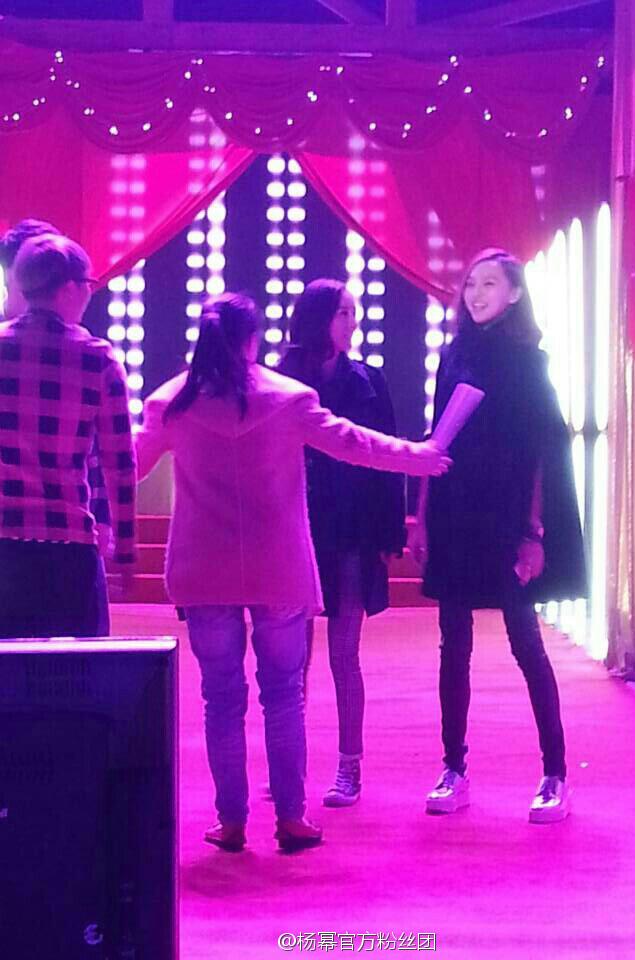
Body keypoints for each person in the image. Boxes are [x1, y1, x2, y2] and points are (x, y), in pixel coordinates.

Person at [135, 293, 449, 853]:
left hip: (203, 570)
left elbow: (127, 463)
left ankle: (231, 820)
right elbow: (356, 444)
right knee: (282, 694)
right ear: (252, 340)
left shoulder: (173, 403)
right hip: (277, 566)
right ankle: (291, 817)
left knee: (220, 699)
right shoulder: (287, 399)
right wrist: (417, 456)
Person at [410, 248, 586, 823]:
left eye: (490, 284)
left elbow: (542, 452)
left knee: (525, 642)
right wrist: (423, 514)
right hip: (456, 512)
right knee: (452, 644)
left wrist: (533, 531)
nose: (476, 294)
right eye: (470, 285)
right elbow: (437, 440)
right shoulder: (453, 355)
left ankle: (555, 773)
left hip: (507, 518)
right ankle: (453, 768)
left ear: (514, 293)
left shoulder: (529, 362)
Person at [279, 279, 406, 808]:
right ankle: (289, 763)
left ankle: (349, 766)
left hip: (352, 532)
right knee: (291, 656)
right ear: (318, 318)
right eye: (343, 313)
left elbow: (387, 458)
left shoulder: (369, 381)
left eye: (354, 313)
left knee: (343, 653)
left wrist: (390, 533)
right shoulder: (281, 379)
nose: (352, 323)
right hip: (295, 530)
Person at [0, 233, 136, 639]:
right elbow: (120, 464)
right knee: (78, 669)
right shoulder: (97, 359)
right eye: (89, 284)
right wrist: (126, 551)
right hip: (70, 546)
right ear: (69, 288)